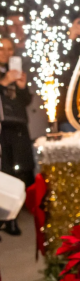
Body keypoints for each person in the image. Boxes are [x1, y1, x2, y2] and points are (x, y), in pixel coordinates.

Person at [0, 37, 33, 236]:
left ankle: (12, 216)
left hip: (18, 125)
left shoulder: (15, 70)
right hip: (2, 127)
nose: (6, 53)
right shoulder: (4, 76)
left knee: (18, 170)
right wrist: (4, 82)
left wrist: (21, 86)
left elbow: (26, 100)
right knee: (3, 171)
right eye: (2, 49)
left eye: (10, 49)